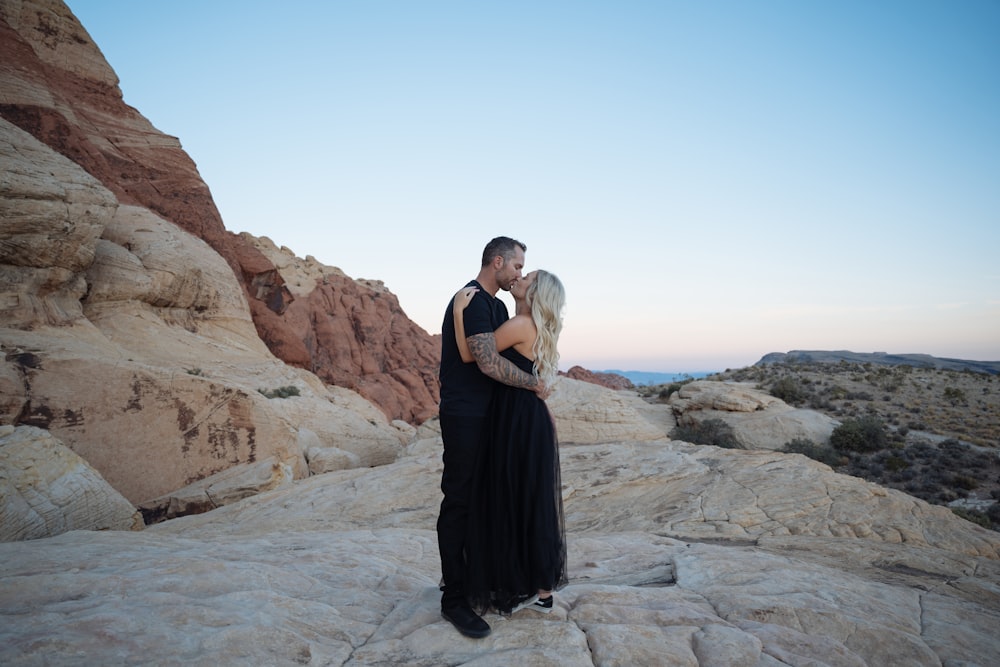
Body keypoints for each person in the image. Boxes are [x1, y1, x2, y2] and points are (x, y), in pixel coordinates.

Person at [437, 236, 548, 639]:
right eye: (517, 267)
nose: (519, 273)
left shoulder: (499, 306)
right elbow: (483, 361)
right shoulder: (469, 299)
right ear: (497, 261)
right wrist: (533, 383)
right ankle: (453, 601)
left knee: (487, 501)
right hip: (465, 414)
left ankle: (477, 584)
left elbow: (510, 352)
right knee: (460, 500)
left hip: (495, 417)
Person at [453, 269, 568, 617]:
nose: (519, 277)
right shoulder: (530, 324)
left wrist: (459, 313)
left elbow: (473, 356)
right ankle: (541, 591)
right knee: (529, 499)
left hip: (517, 419)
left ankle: (525, 586)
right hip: (526, 417)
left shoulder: (520, 325)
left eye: (527, 277)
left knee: (513, 497)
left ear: (536, 293)